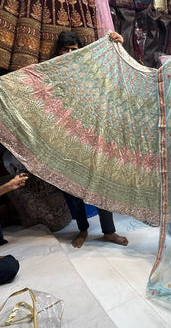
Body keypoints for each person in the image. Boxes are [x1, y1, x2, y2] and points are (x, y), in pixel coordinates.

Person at [55, 30, 129, 249]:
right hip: (67, 138)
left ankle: (109, 232)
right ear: (59, 51)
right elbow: (30, 85)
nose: (69, 53)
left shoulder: (90, 70)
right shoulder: (53, 72)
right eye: (65, 50)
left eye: (73, 50)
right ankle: (83, 230)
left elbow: (115, 71)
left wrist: (118, 46)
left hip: (93, 137)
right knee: (74, 188)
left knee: (101, 186)